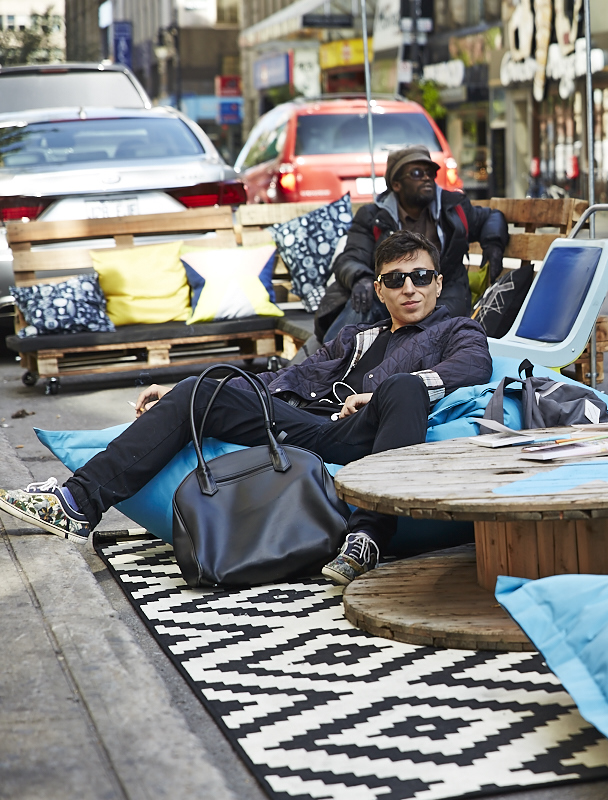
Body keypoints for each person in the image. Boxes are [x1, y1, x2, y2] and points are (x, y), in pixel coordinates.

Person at [0, 231, 492, 586]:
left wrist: (382, 394)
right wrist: (175, 393)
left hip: (367, 427)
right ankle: (77, 504)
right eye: (398, 279)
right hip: (310, 424)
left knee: (404, 388)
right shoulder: (354, 336)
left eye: (421, 277)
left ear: (437, 282)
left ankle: (367, 536)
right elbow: (284, 378)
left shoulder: (455, 330)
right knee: (201, 387)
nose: (411, 288)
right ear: (380, 290)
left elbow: (473, 366)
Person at [316, 144, 509, 342]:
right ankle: (332, 357)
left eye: (430, 172)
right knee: (362, 299)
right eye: (416, 173)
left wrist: (493, 244)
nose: (426, 178)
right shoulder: (373, 216)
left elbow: (491, 217)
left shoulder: (452, 207)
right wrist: (361, 279)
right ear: (396, 184)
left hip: (444, 294)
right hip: (393, 295)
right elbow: (350, 258)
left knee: (433, 327)